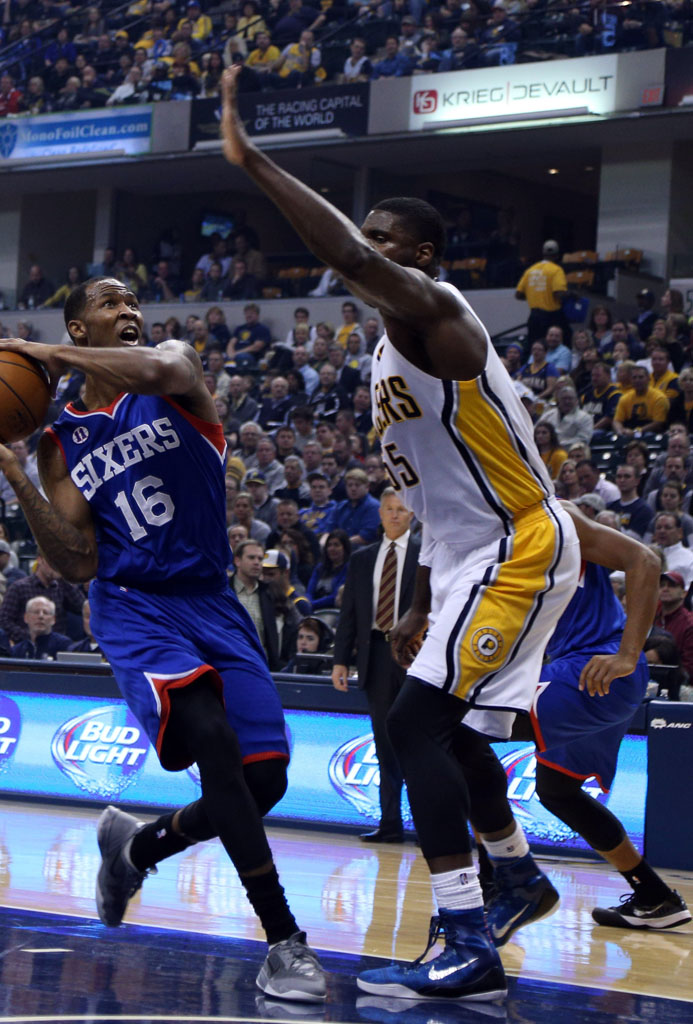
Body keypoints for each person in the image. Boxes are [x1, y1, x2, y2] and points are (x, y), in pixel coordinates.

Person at [217, 66, 580, 1002]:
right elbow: (428, 497)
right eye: (368, 235)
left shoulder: (439, 317)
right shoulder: (385, 348)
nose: (367, 250)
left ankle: (464, 927)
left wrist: (255, 163)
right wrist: (421, 589)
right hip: (467, 555)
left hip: (519, 544)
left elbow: (345, 254)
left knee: (413, 725)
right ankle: (514, 875)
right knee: (449, 737)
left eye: (385, 240)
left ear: (420, 252)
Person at [0, 277, 325, 1002]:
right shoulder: (59, 442)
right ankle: (284, 941)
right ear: (81, 329)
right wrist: (20, 477)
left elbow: (162, 366)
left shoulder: (172, 371)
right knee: (209, 731)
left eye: (132, 302)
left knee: (263, 780)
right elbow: (78, 560)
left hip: (210, 601)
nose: (130, 311)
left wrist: (31, 351)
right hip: (135, 607)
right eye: (111, 304)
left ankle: (137, 846)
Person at [472, 502, 690, 935]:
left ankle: (499, 888)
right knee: (558, 791)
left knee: (462, 737)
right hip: (587, 675)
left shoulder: (556, 515)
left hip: (594, 670)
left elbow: (644, 560)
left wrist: (628, 653)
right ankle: (654, 896)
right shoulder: (489, 531)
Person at [332, 490, 419, 843]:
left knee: (418, 742)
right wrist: (340, 659)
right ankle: (390, 823)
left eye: (401, 509)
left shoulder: (426, 554)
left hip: (415, 655)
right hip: (376, 655)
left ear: (412, 513)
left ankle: (430, 824)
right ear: (380, 513)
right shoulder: (363, 557)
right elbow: (349, 613)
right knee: (383, 744)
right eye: (389, 509)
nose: (395, 515)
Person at [515, 240, 569, 344]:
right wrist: (571, 295)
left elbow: (519, 294)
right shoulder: (556, 270)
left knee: (535, 347)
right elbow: (558, 294)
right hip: (552, 317)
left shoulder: (530, 270)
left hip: (534, 316)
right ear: (557, 255)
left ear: (543, 253)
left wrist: (534, 295)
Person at [10, 595, 72, 660]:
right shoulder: (17, 650)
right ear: (26, 618)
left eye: (45, 613)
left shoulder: (63, 645)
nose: (41, 616)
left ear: (53, 619)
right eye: (36, 612)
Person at [306, 528, 350, 610]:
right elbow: (309, 591)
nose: (332, 549)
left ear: (345, 548)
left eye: (336, 545)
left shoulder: (348, 569)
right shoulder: (320, 567)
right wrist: (308, 602)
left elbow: (335, 597)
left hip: (333, 610)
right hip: (313, 608)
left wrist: (312, 605)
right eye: (329, 545)